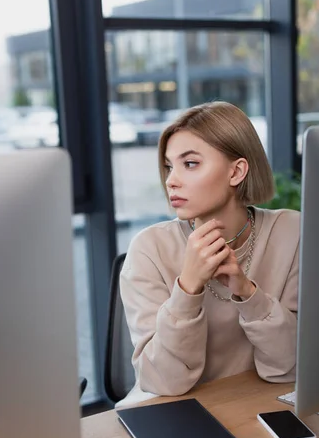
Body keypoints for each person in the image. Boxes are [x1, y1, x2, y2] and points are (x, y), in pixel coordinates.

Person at [119, 101, 300, 403]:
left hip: (249, 405)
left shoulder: (290, 232)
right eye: (169, 166)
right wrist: (187, 288)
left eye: (190, 164)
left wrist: (247, 293)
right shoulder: (149, 249)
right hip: (166, 413)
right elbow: (163, 382)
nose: (171, 180)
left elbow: (287, 367)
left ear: (237, 171)